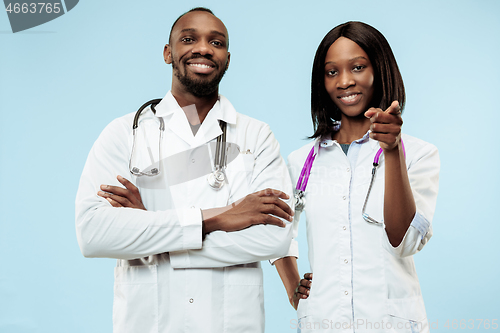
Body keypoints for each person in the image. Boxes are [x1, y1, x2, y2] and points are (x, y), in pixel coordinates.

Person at [75, 7, 294, 333]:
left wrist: (148, 230)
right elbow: (93, 234)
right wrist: (218, 217)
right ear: (168, 52)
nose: (204, 48)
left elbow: (274, 238)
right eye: (189, 38)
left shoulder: (256, 136)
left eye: (216, 42)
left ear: (228, 58)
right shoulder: (125, 134)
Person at [273, 21, 440, 332]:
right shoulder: (302, 162)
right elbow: (276, 234)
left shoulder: (418, 154)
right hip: (323, 322)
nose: (345, 81)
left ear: (379, 69)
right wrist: (293, 285)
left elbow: (405, 243)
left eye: (358, 67)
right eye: (332, 71)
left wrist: (392, 152)